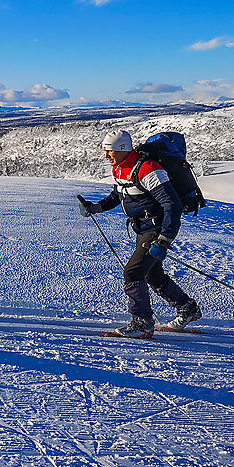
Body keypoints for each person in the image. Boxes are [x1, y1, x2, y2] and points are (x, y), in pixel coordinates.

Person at [78, 130, 202, 338]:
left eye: (110, 151)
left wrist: (164, 239)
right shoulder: (121, 168)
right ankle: (187, 308)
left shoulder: (148, 169)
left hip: (156, 229)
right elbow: (119, 195)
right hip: (142, 228)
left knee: (133, 273)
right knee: (152, 274)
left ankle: (142, 323)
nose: (106, 156)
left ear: (123, 149)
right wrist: (96, 207)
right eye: (105, 151)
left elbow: (172, 204)